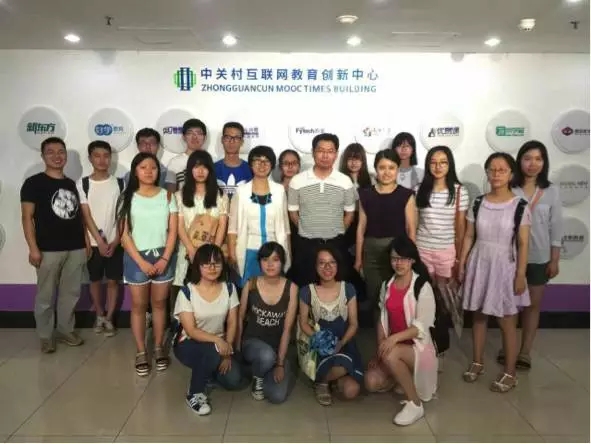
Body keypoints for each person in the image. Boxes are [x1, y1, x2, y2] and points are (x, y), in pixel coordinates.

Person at [459, 152, 531, 393]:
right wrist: (463, 263)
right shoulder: (478, 202)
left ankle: (510, 372)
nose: (497, 174)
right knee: (478, 316)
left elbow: (523, 243)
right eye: (492, 169)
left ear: (511, 174)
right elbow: (469, 235)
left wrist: (520, 274)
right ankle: (477, 362)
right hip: (480, 262)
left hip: (505, 266)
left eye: (502, 170)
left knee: (507, 320)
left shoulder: (519, 206)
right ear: (487, 173)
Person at [20, 137, 89, 353]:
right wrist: (33, 248)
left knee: (71, 294)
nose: (57, 156)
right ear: (42, 156)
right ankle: (45, 336)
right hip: (47, 250)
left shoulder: (71, 184)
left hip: (75, 248)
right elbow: (27, 217)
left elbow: (79, 217)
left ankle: (66, 330)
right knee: (45, 295)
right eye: (51, 152)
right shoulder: (33, 183)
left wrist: (85, 242)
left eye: (61, 152)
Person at [365, 236, 438, 426]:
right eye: (394, 258)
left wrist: (393, 340)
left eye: (403, 258)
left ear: (412, 259)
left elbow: (421, 327)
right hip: (394, 347)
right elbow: (382, 319)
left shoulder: (422, 286)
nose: (398, 263)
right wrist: (381, 347)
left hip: (419, 351)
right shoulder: (387, 285)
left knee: (392, 354)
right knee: (371, 382)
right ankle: (401, 377)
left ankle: (415, 404)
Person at [117, 152, 178, 377]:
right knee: (139, 306)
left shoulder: (168, 196)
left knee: (160, 304)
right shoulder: (127, 198)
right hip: (136, 258)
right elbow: (124, 235)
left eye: (153, 167)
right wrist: (142, 262)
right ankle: (141, 351)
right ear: (135, 171)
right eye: (143, 167)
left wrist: (164, 258)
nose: (149, 171)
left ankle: (159, 346)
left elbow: (173, 231)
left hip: (163, 256)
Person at [504, 140, 563, 370]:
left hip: (539, 257)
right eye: (527, 158)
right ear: (519, 161)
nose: (532, 164)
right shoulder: (509, 187)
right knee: (508, 305)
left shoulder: (551, 191)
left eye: (538, 159)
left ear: (544, 163)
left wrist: (554, 259)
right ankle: (508, 346)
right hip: (509, 257)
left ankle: (525, 351)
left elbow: (556, 227)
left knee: (532, 306)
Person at [173, 244, 244, 416]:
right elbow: (191, 330)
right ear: (198, 265)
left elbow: (232, 322)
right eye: (206, 263)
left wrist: (227, 352)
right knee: (211, 352)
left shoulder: (229, 288)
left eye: (216, 263)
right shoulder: (187, 292)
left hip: (219, 345)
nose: (212, 268)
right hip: (188, 343)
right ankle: (194, 393)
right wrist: (218, 341)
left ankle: (207, 371)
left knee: (234, 380)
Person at [288, 133, 357, 287]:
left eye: (330, 151)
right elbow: (293, 213)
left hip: (336, 244)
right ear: (313, 152)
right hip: (306, 245)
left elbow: (349, 214)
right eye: (320, 150)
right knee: (305, 287)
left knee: (335, 287)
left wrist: (337, 231)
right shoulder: (297, 181)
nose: (325, 155)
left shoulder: (345, 181)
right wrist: (307, 230)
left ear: (336, 154)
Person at [298, 246, 363, 406]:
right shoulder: (307, 291)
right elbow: (303, 323)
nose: (327, 267)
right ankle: (323, 381)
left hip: (344, 342)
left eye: (332, 262)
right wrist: (319, 339)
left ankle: (326, 380)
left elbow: (354, 323)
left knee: (351, 390)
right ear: (315, 266)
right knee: (335, 367)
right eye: (322, 263)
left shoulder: (348, 288)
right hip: (320, 344)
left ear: (338, 264)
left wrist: (341, 342)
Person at [355, 149, 416, 319]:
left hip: (397, 253)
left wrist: (411, 258)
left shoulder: (406, 195)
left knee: (396, 298)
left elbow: (411, 229)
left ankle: (397, 333)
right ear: (376, 169)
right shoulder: (365, 194)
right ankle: (380, 334)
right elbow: (361, 228)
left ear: (397, 169)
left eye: (391, 167)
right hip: (371, 254)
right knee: (376, 299)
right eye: (382, 168)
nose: (387, 172)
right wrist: (358, 259)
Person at [237, 242, 298, 404]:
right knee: (265, 355)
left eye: (275, 260)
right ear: (259, 262)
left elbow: (287, 329)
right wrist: (237, 348)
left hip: (277, 349)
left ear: (282, 262)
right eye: (265, 260)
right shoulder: (251, 284)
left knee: (277, 396)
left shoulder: (291, 288)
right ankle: (258, 375)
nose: (270, 264)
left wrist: (280, 364)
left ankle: (265, 368)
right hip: (252, 343)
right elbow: (240, 318)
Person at [77, 140, 124, 337]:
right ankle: (99, 314)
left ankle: (109, 318)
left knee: (113, 281)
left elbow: (122, 216)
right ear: (90, 158)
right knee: (95, 280)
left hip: (115, 243)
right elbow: (85, 216)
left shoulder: (120, 183)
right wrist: (97, 241)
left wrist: (116, 240)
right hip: (93, 243)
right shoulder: (83, 184)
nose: (102, 160)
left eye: (106, 156)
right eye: (97, 156)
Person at [228, 146, 291, 286]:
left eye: (266, 161)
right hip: (249, 250)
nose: (262, 165)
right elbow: (232, 228)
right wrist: (232, 253)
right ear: (251, 164)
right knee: (249, 290)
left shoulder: (279, 190)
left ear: (272, 165)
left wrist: (288, 255)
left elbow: (285, 227)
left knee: (272, 290)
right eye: (257, 160)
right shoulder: (241, 191)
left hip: (274, 252)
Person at [174, 150, 229, 289]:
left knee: (211, 289)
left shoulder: (220, 196)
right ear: (190, 169)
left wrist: (213, 252)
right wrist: (192, 251)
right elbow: (179, 227)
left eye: (204, 167)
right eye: (196, 166)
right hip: (186, 252)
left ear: (210, 170)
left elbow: (222, 225)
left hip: (212, 253)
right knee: (186, 290)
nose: (200, 171)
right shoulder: (179, 196)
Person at [415, 146, 469, 286]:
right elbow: (414, 224)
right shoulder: (418, 189)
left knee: (446, 293)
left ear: (450, 164)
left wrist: (459, 258)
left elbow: (461, 228)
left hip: (446, 252)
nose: (438, 167)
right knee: (424, 293)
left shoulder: (460, 191)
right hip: (422, 250)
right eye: (433, 162)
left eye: (443, 162)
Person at [277, 149, 301, 282]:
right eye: (286, 163)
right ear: (280, 166)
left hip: (300, 237)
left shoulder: (305, 189)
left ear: (299, 166)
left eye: (294, 163)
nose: (290, 166)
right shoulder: (275, 189)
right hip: (280, 236)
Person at [166, 118, 208, 192]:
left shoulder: (210, 161)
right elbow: (170, 193)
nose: (194, 137)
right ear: (184, 137)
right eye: (190, 133)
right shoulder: (174, 163)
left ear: (205, 137)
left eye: (199, 133)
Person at [214, 121, 253, 199]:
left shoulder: (251, 169)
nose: (231, 141)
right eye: (228, 137)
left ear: (242, 142)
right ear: (222, 140)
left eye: (236, 138)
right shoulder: (212, 168)